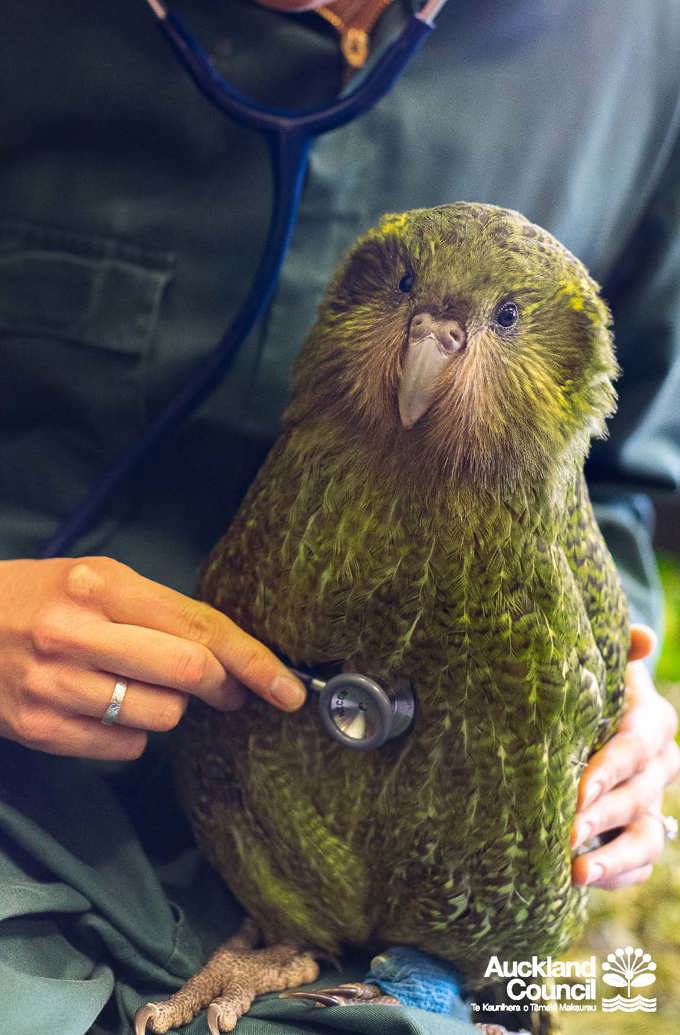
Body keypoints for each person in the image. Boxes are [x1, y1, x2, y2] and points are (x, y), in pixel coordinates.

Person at [0, 1, 679, 1032]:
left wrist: (610, 677)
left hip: (398, 862)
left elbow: (622, 472)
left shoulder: (640, 46)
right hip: (41, 804)